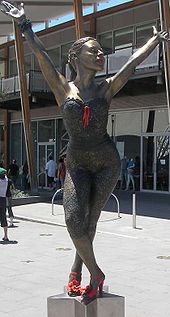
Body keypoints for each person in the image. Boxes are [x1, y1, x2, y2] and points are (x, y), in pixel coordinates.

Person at [1, 1, 169, 303]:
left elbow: (131, 64)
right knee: (72, 218)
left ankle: (78, 271)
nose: (101, 54)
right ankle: (96, 272)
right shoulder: (63, 88)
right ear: (76, 56)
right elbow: (41, 56)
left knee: (89, 220)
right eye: (95, 50)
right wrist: (24, 24)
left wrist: (152, 41)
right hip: (77, 161)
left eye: (102, 50)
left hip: (106, 162)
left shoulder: (105, 88)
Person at [0, 167, 9, 241]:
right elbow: (5, 175)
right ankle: (6, 236)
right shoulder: (6, 180)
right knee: (3, 217)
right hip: (3, 199)